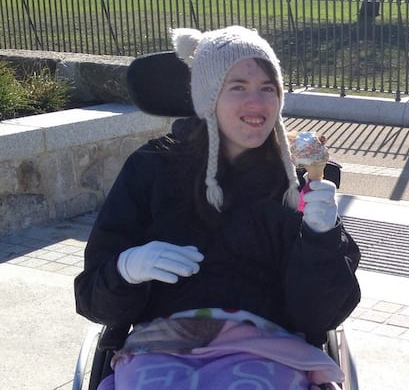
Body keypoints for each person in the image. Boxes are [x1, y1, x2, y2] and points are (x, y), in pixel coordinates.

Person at [74, 26, 361, 389]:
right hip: (163, 347)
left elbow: (321, 316)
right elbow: (93, 299)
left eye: (267, 88)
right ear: (209, 97)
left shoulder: (298, 184)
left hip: (269, 351)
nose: (256, 103)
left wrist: (322, 239)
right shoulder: (152, 168)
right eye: (238, 87)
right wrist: (126, 269)